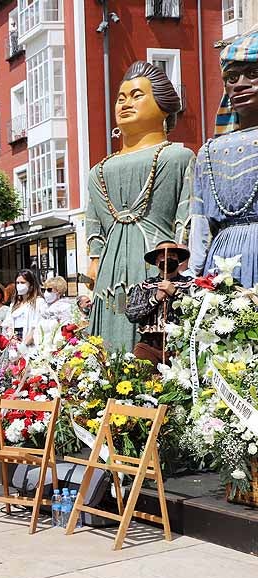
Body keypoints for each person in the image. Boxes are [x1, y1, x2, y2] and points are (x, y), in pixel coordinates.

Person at [87, 61, 194, 351]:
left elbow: (186, 213)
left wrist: (180, 258)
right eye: (121, 98)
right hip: (110, 270)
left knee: (150, 335)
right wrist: (95, 260)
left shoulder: (178, 157)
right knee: (111, 323)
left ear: (162, 105)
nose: (125, 103)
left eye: (136, 95)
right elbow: (94, 225)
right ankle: (101, 383)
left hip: (157, 260)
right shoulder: (98, 170)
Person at [189, 32, 258, 287]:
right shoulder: (208, 152)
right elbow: (200, 224)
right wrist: (193, 278)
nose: (239, 84)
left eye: (252, 74)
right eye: (231, 77)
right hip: (222, 261)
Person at [125, 241, 194, 364]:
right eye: (162, 256)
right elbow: (131, 314)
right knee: (140, 376)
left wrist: (175, 293)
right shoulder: (144, 286)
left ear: (178, 260)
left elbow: (197, 309)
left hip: (181, 345)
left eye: (172, 255)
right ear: (156, 262)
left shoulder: (190, 284)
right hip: (149, 345)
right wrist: (155, 299)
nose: (168, 258)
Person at [1, 269, 45, 356]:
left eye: (22, 282)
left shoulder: (38, 302)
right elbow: (8, 323)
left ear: (31, 285)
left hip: (30, 348)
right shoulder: (14, 304)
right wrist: (11, 337)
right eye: (17, 283)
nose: (19, 285)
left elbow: (36, 327)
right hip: (14, 348)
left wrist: (23, 345)